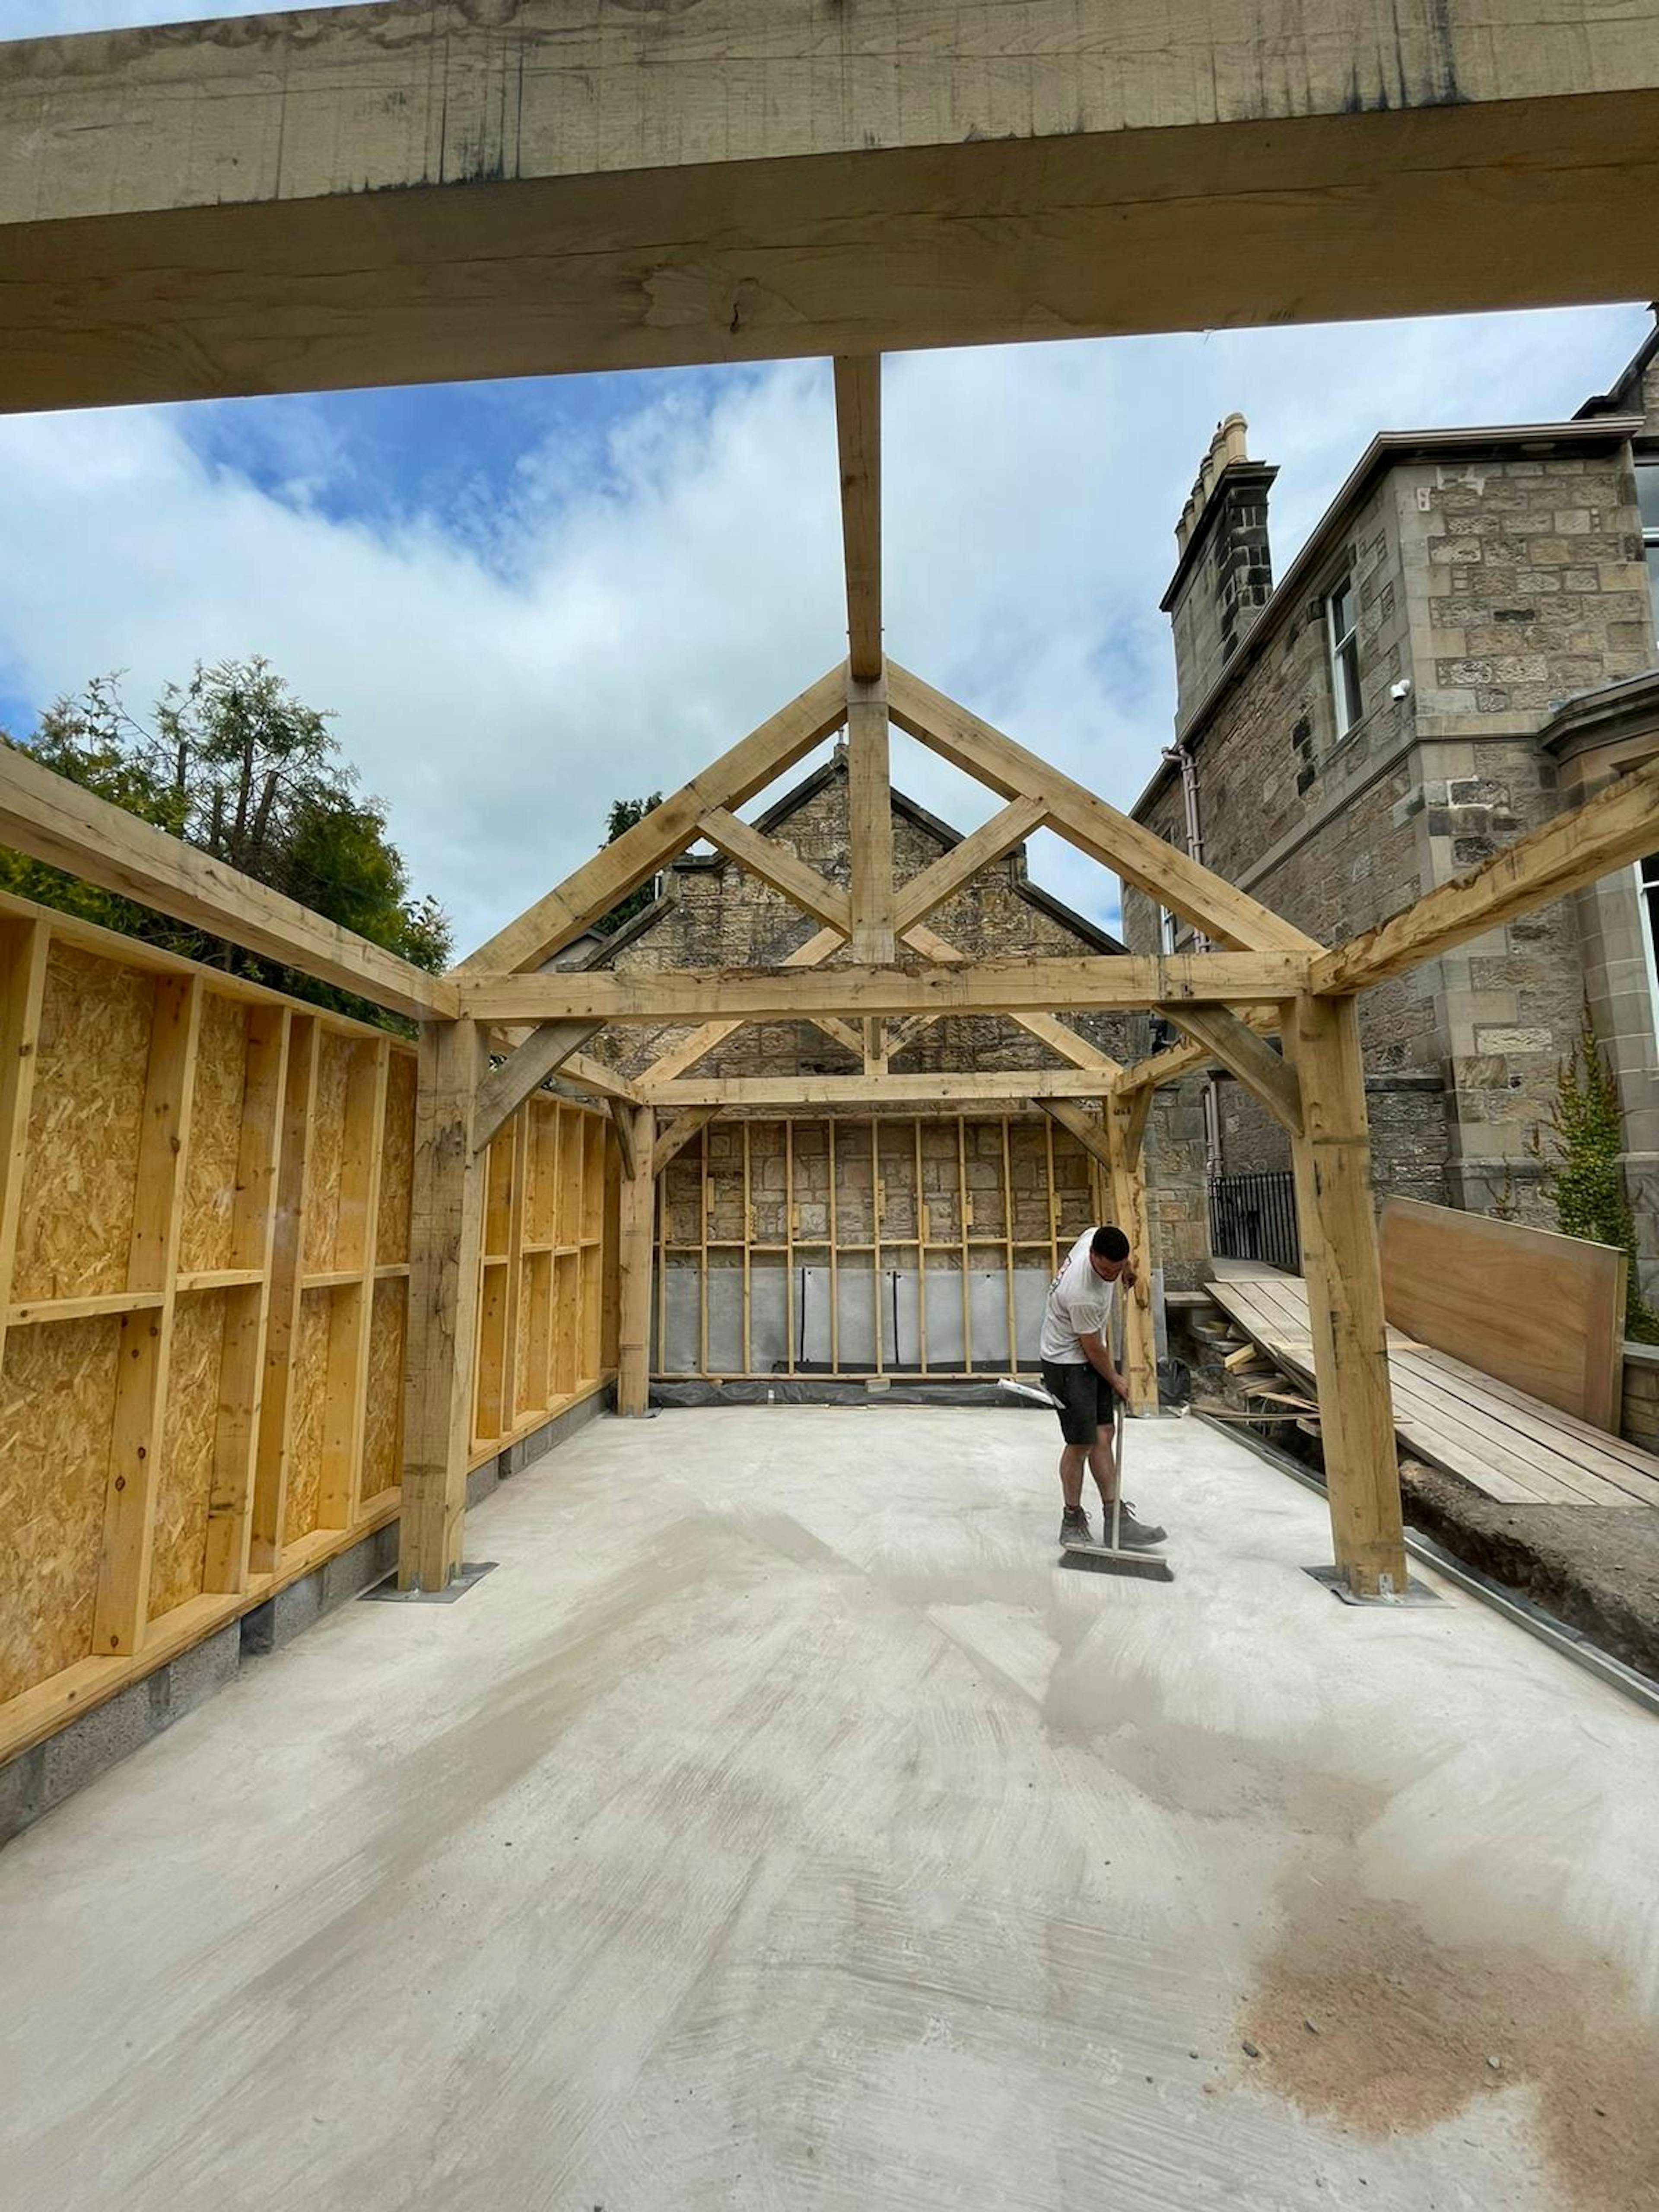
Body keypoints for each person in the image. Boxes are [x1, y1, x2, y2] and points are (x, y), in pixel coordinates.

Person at [1039, 1222, 1166, 1551]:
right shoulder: (1083, 1294)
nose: (1111, 1277)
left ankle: (1116, 1519)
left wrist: (1128, 1270)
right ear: (1093, 1256)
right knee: (1081, 1444)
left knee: (1103, 1436)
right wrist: (1116, 1379)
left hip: (1089, 1355)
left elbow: (1119, 1258)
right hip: (1066, 1363)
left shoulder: (1094, 1238)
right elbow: (1092, 1348)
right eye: (1107, 1270)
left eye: (1117, 1269)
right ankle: (1072, 1517)